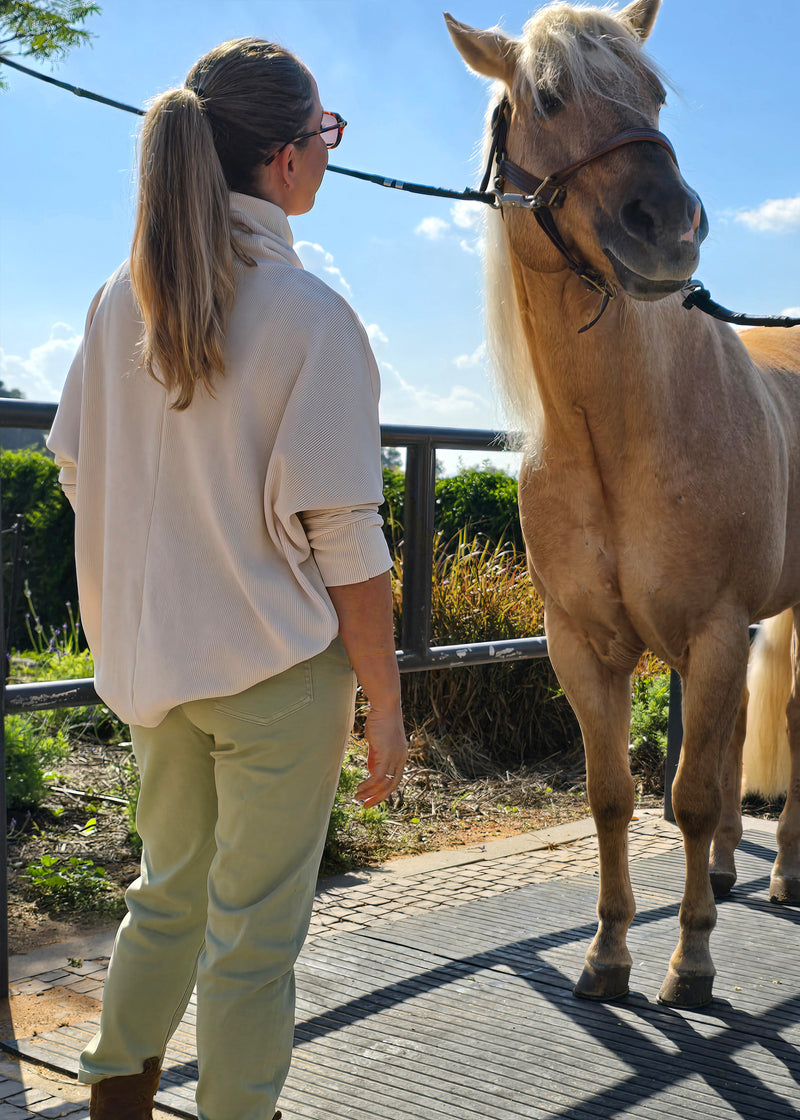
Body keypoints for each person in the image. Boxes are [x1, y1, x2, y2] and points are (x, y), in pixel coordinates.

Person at [46, 36, 408, 1120]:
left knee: (164, 899)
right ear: (288, 159)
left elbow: (75, 466)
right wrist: (384, 703)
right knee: (253, 939)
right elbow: (347, 543)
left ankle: (116, 1100)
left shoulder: (122, 300)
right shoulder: (312, 318)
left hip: (157, 670)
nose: (327, 152)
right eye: (325, 134)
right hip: (277, 676)